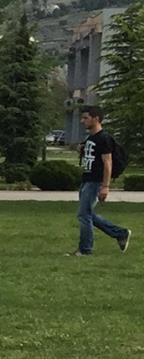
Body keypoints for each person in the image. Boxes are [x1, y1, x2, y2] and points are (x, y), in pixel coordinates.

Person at [71, 103, 132, 255]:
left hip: (95, 181)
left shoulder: (104, 138)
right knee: (87, 214)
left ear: (96, 118)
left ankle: (85, 250)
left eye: (86, 118)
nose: (82, 121)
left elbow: (107, 163)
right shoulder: (91, 138)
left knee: (84, 215)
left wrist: (105, 186)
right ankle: (120, 233)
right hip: (87, 179)